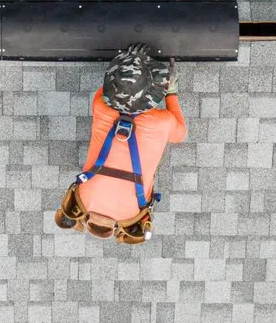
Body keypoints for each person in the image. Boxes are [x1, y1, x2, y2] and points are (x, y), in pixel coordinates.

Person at [53, 42, 187, 244]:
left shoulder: (162, 122)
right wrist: (129, 66)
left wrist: (171, 94)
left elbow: (180, 134)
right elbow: (110, 91)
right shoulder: (100, 106)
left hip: (132, 206)